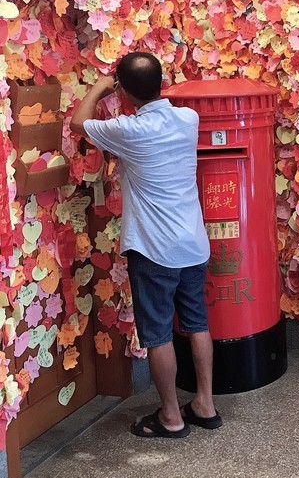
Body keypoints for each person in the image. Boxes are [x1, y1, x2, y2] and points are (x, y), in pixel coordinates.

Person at [71, 52, 222, 438]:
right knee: (197, 324)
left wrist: (101, 87)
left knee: (157, 335)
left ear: (124, 90)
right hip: (194, 244)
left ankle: (171, 417)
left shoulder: (129, 131)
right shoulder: (189, 119)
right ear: (162, 81)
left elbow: (77, 123)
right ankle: (205, 404)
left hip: (155, 249)